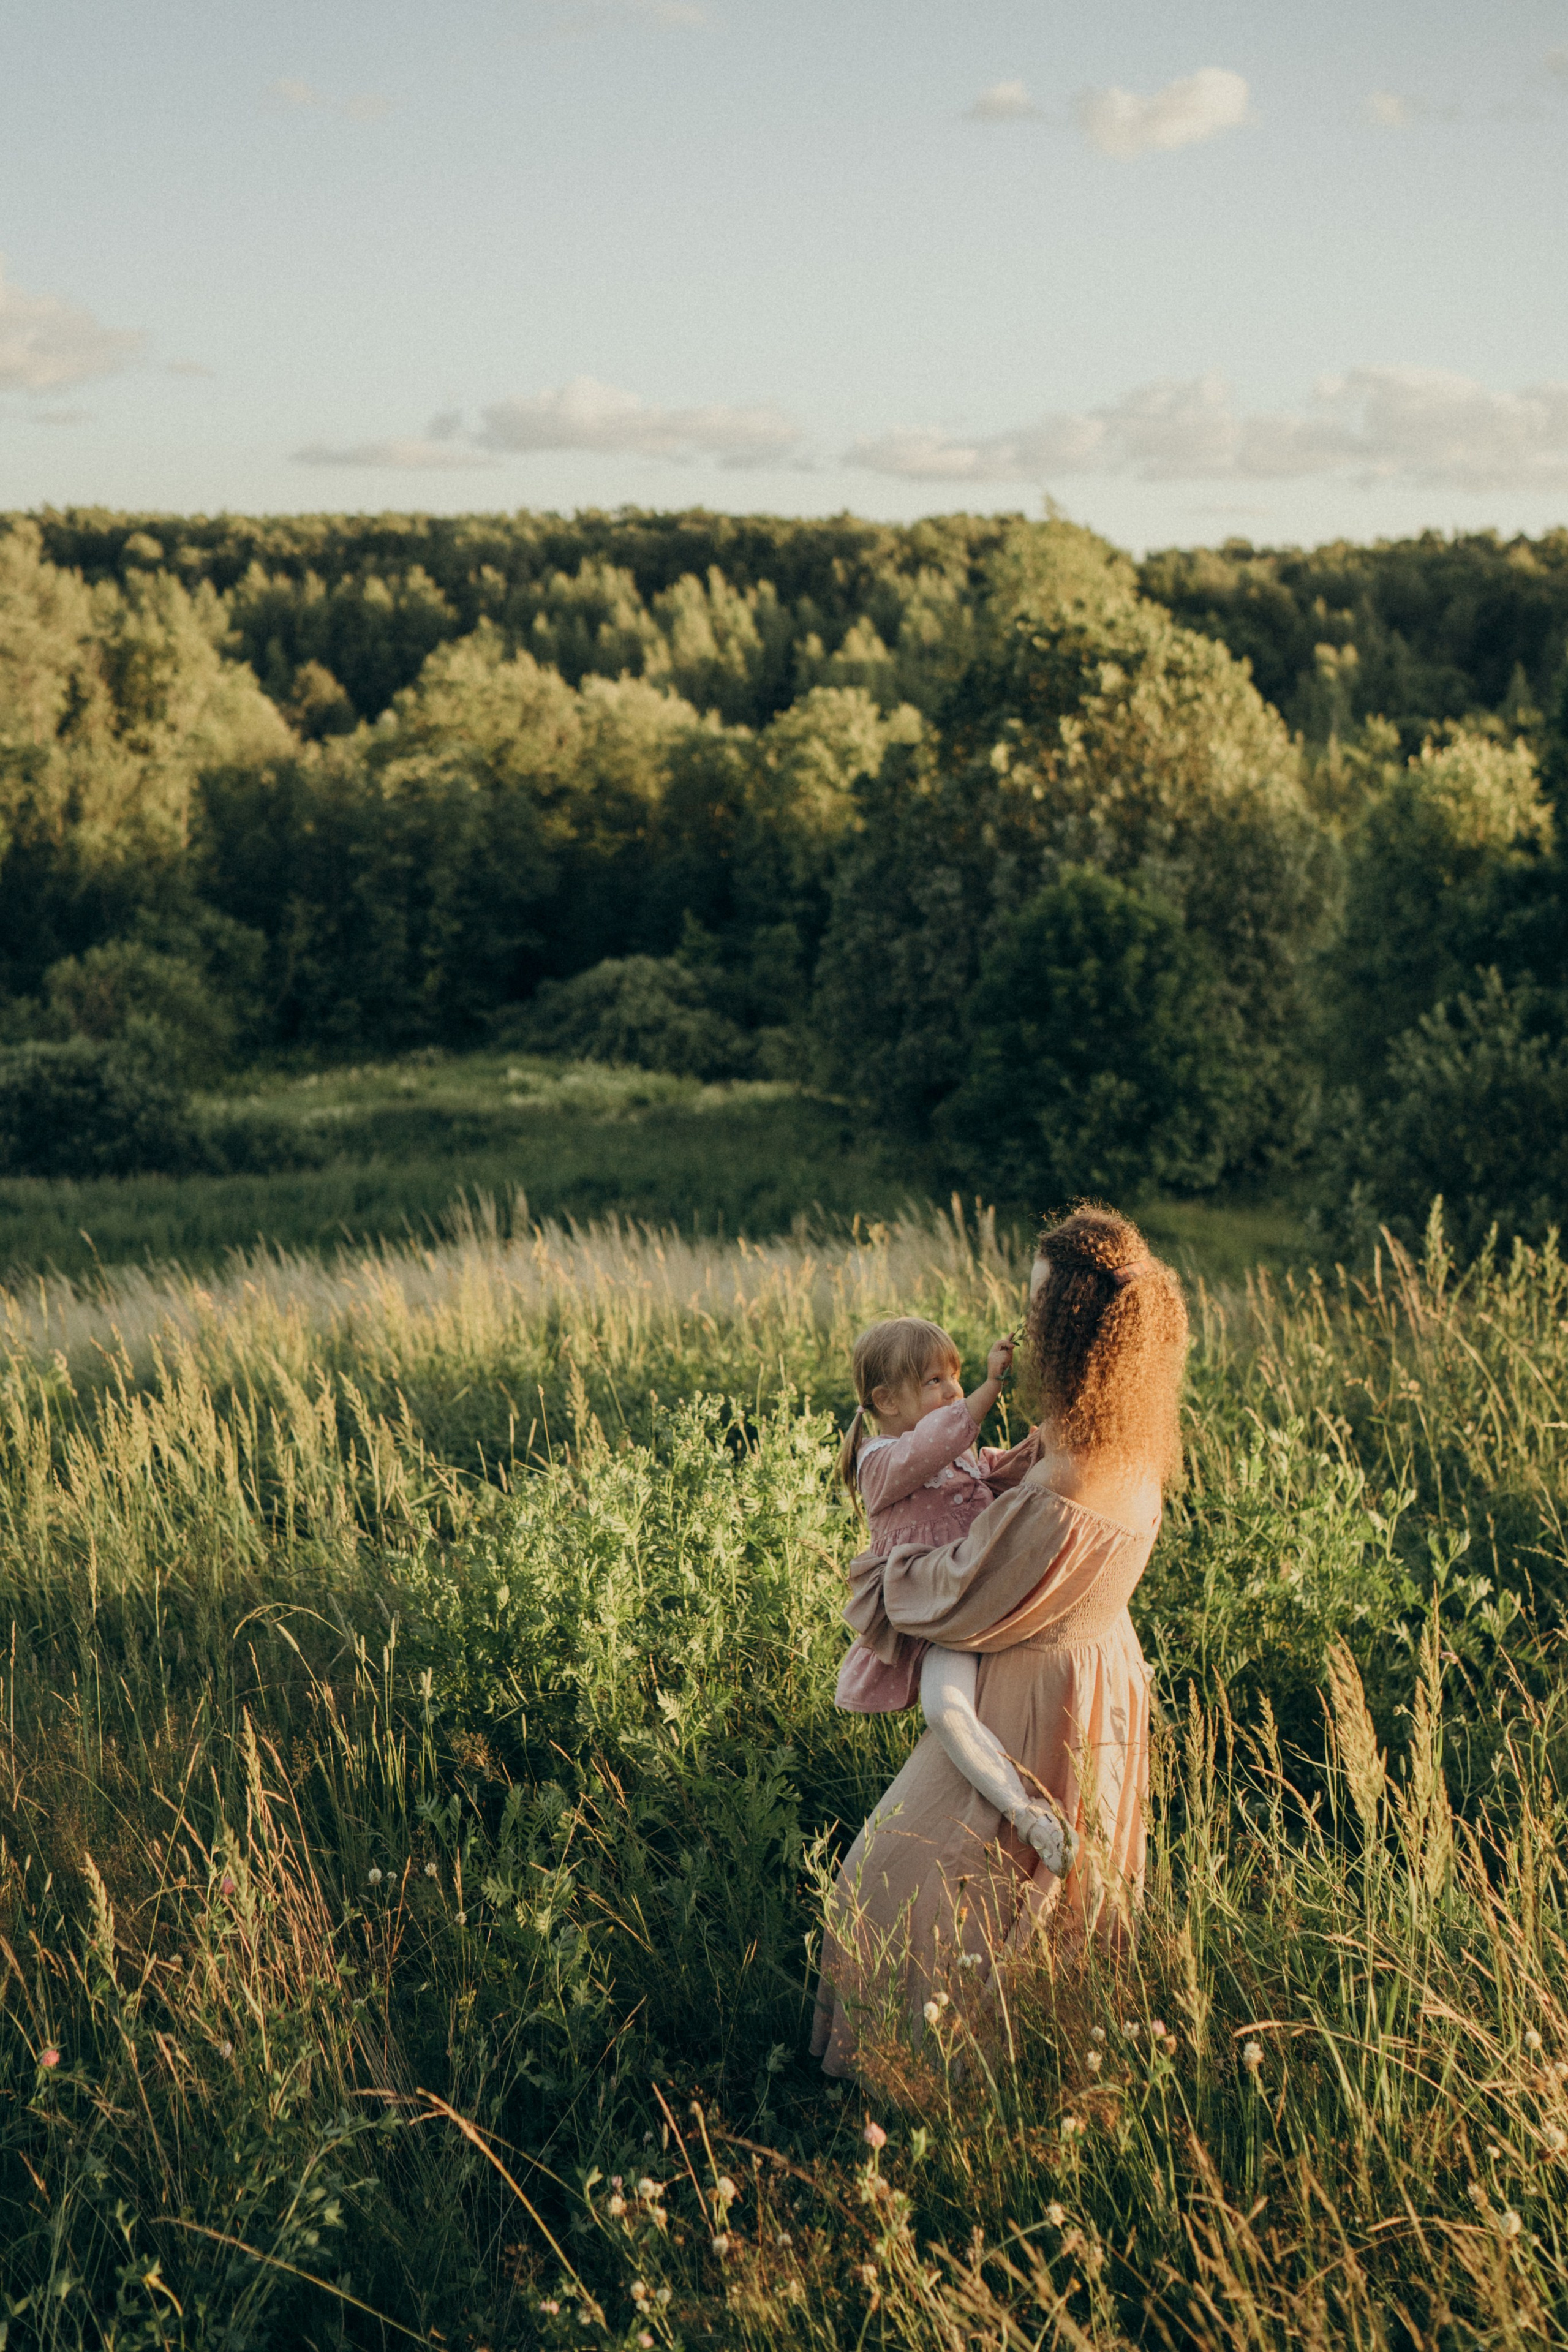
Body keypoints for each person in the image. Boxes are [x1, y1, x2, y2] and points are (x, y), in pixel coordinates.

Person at [811, 1207, 1188, 2081]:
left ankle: (932, 2082)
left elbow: (960, 1593)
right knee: (1043, 1903)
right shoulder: (1121, 1443)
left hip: (1026, 1693)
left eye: (1034, 1307)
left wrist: (882, 1583)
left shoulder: (1064, 1483)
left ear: (1069, 1330)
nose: (1021, 1323)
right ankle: (1034, 2061)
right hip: (1091, 1681)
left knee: (889, 1886)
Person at [833, 1317, 1077, 1877]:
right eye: (934, 1382)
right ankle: (1026, 1813)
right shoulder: (882, 1459)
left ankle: (1032, 1798)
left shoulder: (957, 1448)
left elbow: (1002, 1468)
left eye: (955, 1378)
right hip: (932, 1608)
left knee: (994, 1697)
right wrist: (987, 1391)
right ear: (886, 1400)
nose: (951, 1391)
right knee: (945, 1708)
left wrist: (1053, 1434)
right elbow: (934, 1445)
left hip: (971, 1599)